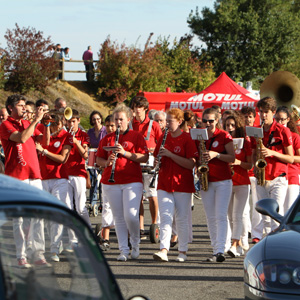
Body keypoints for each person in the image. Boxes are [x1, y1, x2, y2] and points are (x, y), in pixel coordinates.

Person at [0, 94, 50, 267]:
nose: (24, 108)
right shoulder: (5, 125)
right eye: (20, 106)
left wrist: (47, 124)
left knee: (38, 217)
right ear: (10, 109)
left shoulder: (28, 123)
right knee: (19, 219)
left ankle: (38, 254)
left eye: (24, 105)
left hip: (34, 175)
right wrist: (36, 120)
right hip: (17, 177)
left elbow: (45, 141)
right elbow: (21, 138)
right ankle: (21, 255)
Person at [96, 104, 148, 261]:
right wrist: (107, 162)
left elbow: (144, 157)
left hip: (132, 179)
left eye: (121, 119)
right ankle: (123, 250)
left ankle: (135, 242)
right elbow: (98, 159)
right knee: (118, 217)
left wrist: (125, 153)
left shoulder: (136, 136)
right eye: (116, 119)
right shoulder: (107, 138)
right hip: (111, 181)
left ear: (129, 120)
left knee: (131, 215)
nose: (118, 122)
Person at [152, 108, 198, 262]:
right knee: (165, 217)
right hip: (164, 182)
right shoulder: (163, 137)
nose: (167, 124)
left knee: (181, 219)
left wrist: (171, 155)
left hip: (182, 184)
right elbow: (156, 158)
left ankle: (183, 250)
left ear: (179, 122)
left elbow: (191, 164)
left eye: (170, 120)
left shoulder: (187, 139)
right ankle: (163, 249)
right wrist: (157, 162)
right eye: (166, 120)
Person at [251, 97, 294, 242]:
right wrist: (254, 165)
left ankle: (279, 245)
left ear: (273, 112)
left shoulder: (283, 131)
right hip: (262, 177)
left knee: (275, 215)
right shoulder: (256, 131)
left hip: (278, 177)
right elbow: (252, 154)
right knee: (264, 216)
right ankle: (267, 244)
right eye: (261, 112)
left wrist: (272, 153)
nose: (263, 115)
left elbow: (291, 158)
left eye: (266, 112)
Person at [35, 114, 74, 262]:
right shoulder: (44, 134)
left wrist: (44, 151)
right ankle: (55, 243)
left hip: (59, 179)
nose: (53, 128)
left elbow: (63, 158)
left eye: (56, 125)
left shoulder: (67, 136)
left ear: (61, 124)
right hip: (43, 178)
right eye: (50, 125)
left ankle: (54, 249)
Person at [198, 107, 235, 262]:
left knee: (220, 215)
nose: (207, 124)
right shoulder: (199, 136)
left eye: (211, 121)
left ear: (217, 120)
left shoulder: (224, 135)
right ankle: (215, 249)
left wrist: (216, 155)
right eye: (205, 121)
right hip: (207, 179)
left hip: (223, 180)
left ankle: (220, 250)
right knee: (210, 216)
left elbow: (232, 158)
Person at [130, 96, 162, 239]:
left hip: (150, 161)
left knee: (152, 195)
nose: (136, 110)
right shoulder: (130, 124)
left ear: (145, 109)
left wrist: (156, 158)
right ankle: (140, 227)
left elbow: (160, 142)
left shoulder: (153, 124)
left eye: (139, 107)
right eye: (134, 107)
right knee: (138, 196)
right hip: (134, 160)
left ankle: (154, 225)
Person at [224, 114, 252, 258]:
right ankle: (238, 243)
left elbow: (250, 164)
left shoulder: (245, 142)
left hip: (242, 182)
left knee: (238, 215)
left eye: (232, 125)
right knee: (229, 216)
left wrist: (238, 163)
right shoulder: (223, 140)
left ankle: (234, 244)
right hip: (227, 181)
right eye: (227, 125)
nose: (229, 128)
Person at [65, 109, 91, 226]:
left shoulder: (84, 135)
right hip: (65, 174)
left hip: (78, 174)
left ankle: (88, 230)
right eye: (69, 122)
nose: (71, 124)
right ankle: (73, 237)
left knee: (80, 208)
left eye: (73, 121)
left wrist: (76, 142)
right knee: (68, 208)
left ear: (78, 121)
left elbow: (85, 155)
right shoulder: (64, 135)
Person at [275, 106, 300, 213]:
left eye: (283, 119)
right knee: (278, 210)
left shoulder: (294, 136)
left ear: (288, 119)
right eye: (277, 119)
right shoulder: (273, 136)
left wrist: (285, 157)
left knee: (289, 210)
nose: (280, 122)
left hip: (291, 175)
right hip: (277, 175)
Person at [98, 115, 117, 251]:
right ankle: (105, 238)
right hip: (107, 178)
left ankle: (127, 237)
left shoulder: (124, 138)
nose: (110, 128)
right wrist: (106, 163)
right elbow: (98, 160)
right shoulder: (104, 140)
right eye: (108, 125)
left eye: (112, 125)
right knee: (107, 208)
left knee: (123, 210)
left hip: (123, 179)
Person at [87, 110, 107, 213]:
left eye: (98, 119)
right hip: (93, 156)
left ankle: (102, 203)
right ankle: (92, 202)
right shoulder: (90, 132)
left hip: (102, 156)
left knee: (102, 180)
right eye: (94, 119)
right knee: (93, 180)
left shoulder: (105, 130)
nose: (96, 121)